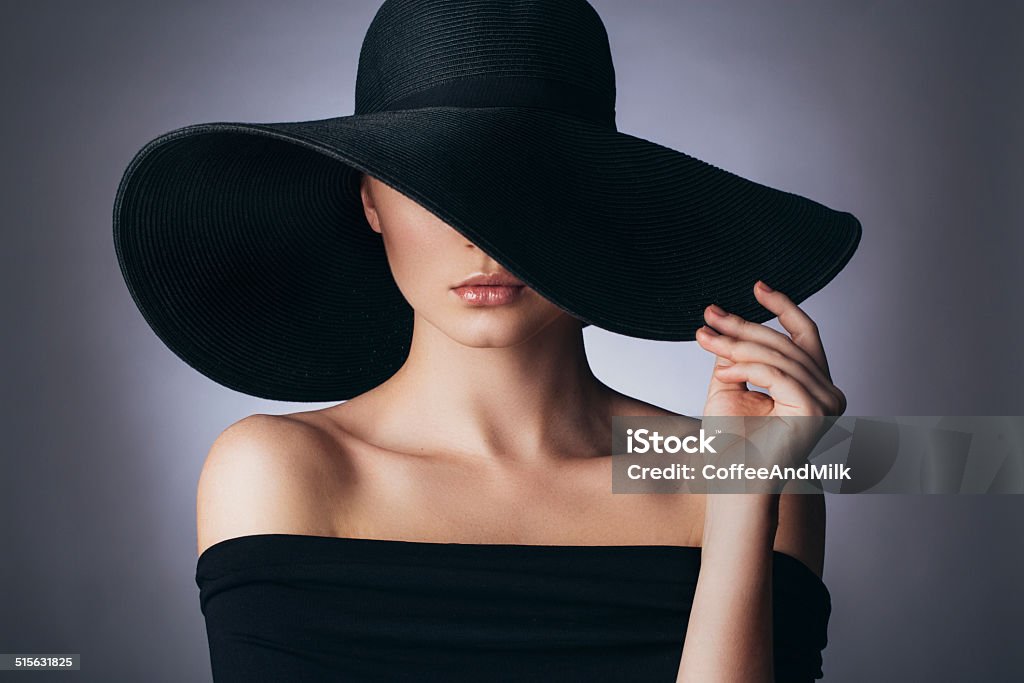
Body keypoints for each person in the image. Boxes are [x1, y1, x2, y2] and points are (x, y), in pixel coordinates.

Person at [114, 1, 859, 680]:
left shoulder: (739, 474)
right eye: (432, 180)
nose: (481, 238)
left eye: (524, 177)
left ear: (597, 195)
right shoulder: (282, 471)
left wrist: (741, 502)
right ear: (369, 199)